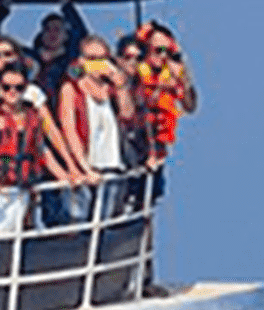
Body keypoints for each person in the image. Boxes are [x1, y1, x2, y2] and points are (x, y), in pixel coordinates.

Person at [0, 63, 75, 241]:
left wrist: (64, 175)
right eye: (6, 87)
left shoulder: (32, 117)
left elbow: (41, 152)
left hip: (20, 189)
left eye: (19, 88)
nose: (12, 92)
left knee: (5, 235)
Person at [58, 35, 135, 221]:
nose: (97, 64)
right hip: (86, 168)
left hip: (112, 166)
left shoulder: (111, 89)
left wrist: (121, 86)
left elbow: (127, 115)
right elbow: (69, 131)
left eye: (102, 58)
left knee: (105, 221)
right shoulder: (71, 89)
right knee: (77, 221)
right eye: (91, 59)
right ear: (81, 61)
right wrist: (85, 168)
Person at [128, 22, 198, 175]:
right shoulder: (135, 70)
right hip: (134, 143)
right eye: (158, 50)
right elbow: (138, 103)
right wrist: (159, 87)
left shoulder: (170, 74)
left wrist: (183, 77)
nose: (164, 56)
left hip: (159, 148)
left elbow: (190, 106)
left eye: (168, 52)